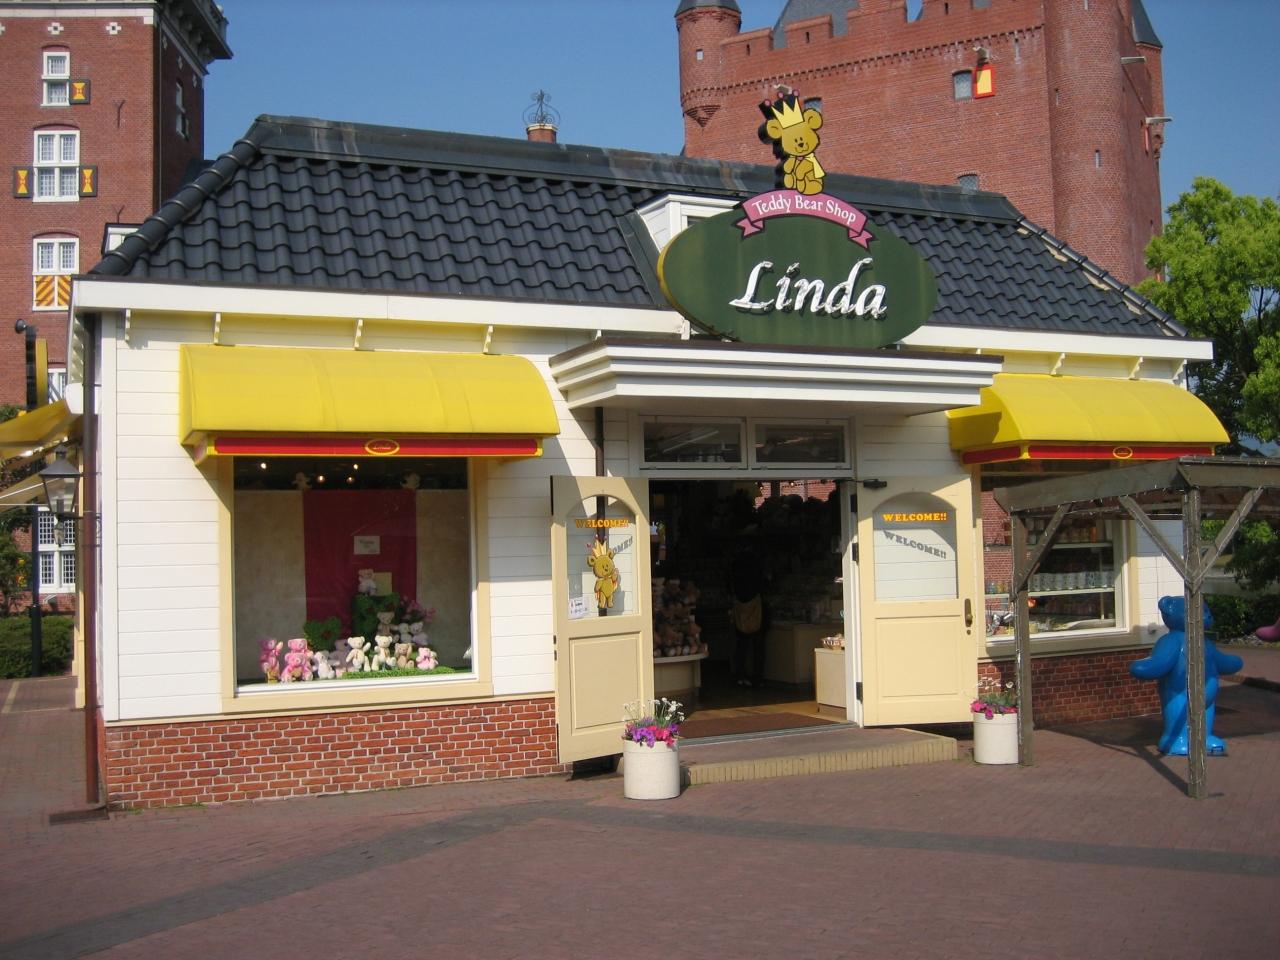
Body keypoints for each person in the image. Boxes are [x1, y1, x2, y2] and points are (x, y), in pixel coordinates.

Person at [729, 547, 767, 687]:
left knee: (741, 644)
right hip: (756, 608)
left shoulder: (736, 567)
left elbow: (731, 584)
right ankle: (758, 677)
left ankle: (740, 675)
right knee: (758, 645)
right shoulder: (757, 566)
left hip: (741, 607)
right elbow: (762, 584)